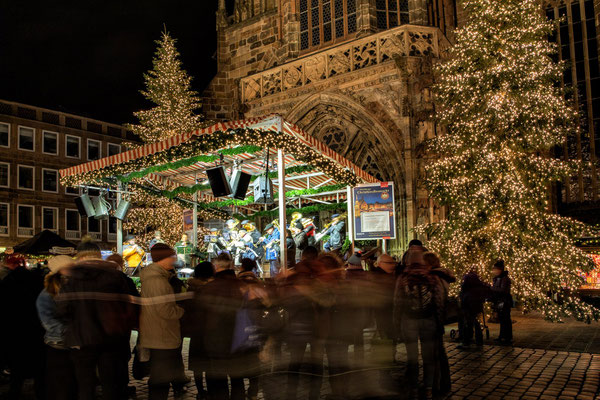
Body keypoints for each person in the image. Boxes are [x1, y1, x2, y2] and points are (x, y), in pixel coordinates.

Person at [59, 240, 139, 400]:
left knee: (85, 385)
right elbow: (131, 304)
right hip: (110, 337)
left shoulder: (72, 278)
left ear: (79, 257)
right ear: (98, 256)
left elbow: (62, 309)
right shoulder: (115, 276)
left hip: (82, 339)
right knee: (110, 383)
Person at [394, 247, 445, 400]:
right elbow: (439, 301)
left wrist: (396, 324)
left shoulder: (403, 277)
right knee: (428, 358)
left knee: (412, 357)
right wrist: (439, 322)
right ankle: (428, 389)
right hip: (428, 320)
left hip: (409, 320)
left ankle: (414, 388)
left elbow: (397, 303)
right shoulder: (432, 276)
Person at [139, 243, 186, 400]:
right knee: (161, 379)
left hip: (159, 333)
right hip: (162, 335)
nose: (173, 259)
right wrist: (180, 310)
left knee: (161, 378)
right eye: (171, 256)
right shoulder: (157, 281)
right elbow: (165, 310)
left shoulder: (156, 277)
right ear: (162, 259)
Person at [0, 253, 45, 400]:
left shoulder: (7, 282)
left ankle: (15, 391)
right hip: (35, 327)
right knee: (38, 365)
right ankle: (40, 391)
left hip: (13, 328)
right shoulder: (37, 280)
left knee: (16, 365)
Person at [200, 253, 245, 400]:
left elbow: (201, 316)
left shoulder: (209, 288)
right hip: (238, 339)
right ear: (231, 265)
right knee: (237, 379)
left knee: (219, 381)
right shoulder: (241, 286)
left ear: (216, 266)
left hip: (216, 341)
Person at [36, 255, 77, 400]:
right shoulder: (48, 293)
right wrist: (69, 331)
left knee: (70, 386)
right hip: (58, 344)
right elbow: (48, 319)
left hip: (70, 344)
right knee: (61, 386)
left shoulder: (72, 288)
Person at [424, 251, 454, 395]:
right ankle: (443, 383)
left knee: (435, 354)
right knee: (439, 353)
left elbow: (437, 301)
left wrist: (436, 319)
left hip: (435, 319)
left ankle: (439, 385)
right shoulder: (442, 275)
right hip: (438, 319)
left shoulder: (435, 277)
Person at [183, 261, 215, 399]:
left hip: (196, 330)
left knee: (197, 364)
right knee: (209, 363)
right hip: (210, 330)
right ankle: (211, 391)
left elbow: (187, 309)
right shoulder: (212, 289)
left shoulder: (190, 288)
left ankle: (200, 391)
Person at [491, 260, 512, 344]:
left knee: (505, 319)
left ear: (500, 269)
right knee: (502, 319)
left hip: (504, 301)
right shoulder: (498, 278)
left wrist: (491, 288)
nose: (494, 271)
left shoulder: (504, 278)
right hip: (500, 301)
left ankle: (507, 337)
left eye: (496, 269)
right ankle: (502, 336)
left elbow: (503, 290)